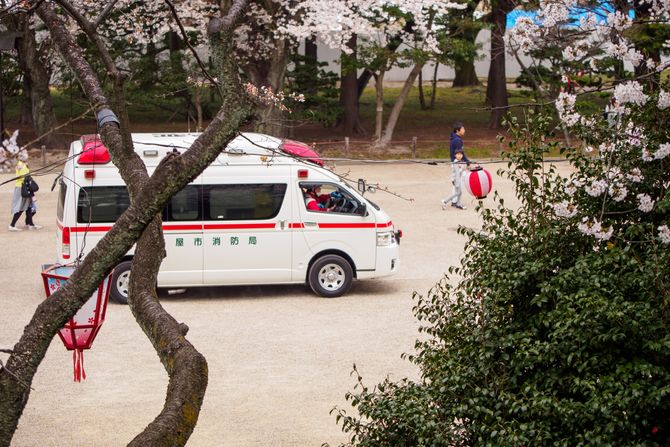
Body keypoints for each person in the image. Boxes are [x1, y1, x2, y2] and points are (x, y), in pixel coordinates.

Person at [9, 152, 42, 231]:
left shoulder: (24, 164)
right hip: (22, 188)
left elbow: (27, 176)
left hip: (26, 187)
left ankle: (30, 224)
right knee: (21, 207)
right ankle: (12, 225)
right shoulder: (20, 165)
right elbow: (24, 177)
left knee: (30, 206)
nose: (27, 156)